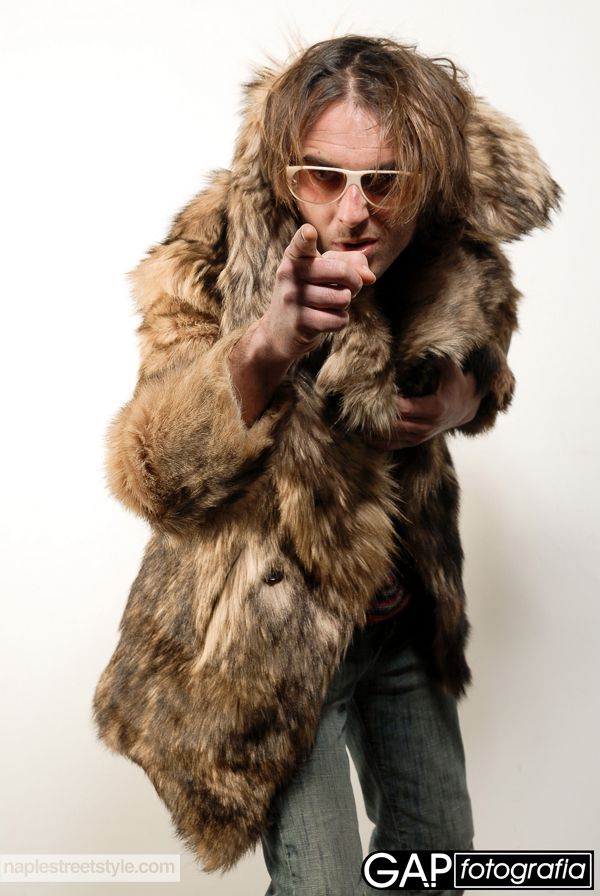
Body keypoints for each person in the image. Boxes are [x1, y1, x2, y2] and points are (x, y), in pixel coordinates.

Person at [93, 35, 560, 895]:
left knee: (438, 852)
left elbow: (486, 350)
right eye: (322, 176)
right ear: (283, 164)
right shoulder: (214, 248)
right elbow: (151, 468)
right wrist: (266, 346)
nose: (352, 211)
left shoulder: (441, 241)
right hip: (274, 641)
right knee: (324, 884)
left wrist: (465, 397)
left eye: (384, 182)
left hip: (400, 613)